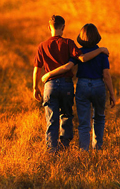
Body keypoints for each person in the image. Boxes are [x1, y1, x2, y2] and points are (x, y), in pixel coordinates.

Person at [33, 16, 109, 154]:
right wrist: (101, 50)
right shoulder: (68, 43)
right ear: (63, 27)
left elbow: (36, 69)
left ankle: (52, 150)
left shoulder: (42, 46)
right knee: (66, 115)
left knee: (51, 119)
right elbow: (79, 60)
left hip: (49, 86)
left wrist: (35, 87)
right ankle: (65, 146)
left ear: (48, 28)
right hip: (67, 85)